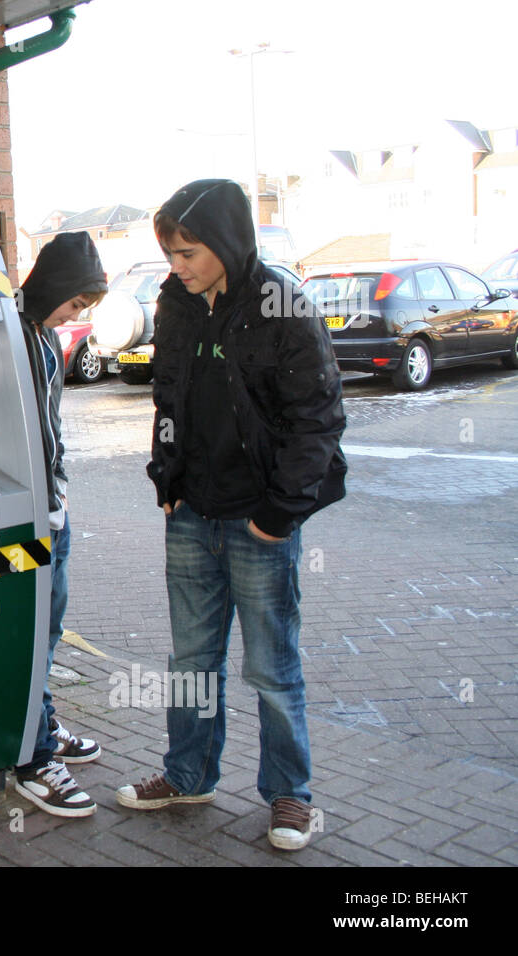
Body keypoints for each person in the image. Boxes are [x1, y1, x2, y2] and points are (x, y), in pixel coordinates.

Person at [115, 179, 346, 850]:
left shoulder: (283, 306)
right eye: (171, 254)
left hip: (258, 522)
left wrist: (278, 516)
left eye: (187, 253)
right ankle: (188, 775)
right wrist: (167, 479)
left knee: (272, 668)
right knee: (191, 659)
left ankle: (289, 797)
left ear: (225, 241)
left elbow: (319, 422)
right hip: (191, 514)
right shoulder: (175, 304)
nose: (176, 266)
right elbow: (167, 400)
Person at [13, 232, 110, 817]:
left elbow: (52, 425)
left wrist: (61, 489)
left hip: (53, 505)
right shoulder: (12, 332)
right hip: (28, 512)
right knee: (33, 633)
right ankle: (32, 754)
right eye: (73, 304)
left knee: (49, 629)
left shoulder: (44, 335)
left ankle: (43, 727)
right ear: (51, 285)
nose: (75, 317)